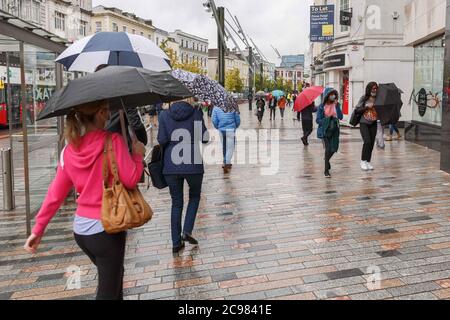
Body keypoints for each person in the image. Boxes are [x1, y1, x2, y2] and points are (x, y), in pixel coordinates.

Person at [24, 100, 146, 300]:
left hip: (82, 231)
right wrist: (137, 156)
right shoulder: (113, 141)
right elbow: (131, 179)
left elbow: (55, 194)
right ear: (98, 113)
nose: (108, 116)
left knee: (114, 278)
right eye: (106, 111)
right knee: (108, 291)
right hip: (108, 228)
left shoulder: (69, 150)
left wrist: (38, 230)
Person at [157, 101, 209, 253]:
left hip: (171, 164)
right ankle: (187, 230)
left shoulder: (164, 114)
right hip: (193, 163)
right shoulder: (196, 112)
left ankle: (175, 242)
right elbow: (204, 138)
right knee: (194, 196)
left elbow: (162, 139)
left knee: (176, 203)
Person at [316, 88, 343, 178]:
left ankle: (326, 160)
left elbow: (340, 117)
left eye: (334, 94)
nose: (333, 96)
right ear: (327, 95)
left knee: (334, 148)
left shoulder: (336, 105)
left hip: (335, 129)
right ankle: (326, 170)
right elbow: (318, 120)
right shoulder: (321, 106)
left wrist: (336, 106)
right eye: (331, 94)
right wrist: (328, 120)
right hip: (325, 130)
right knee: (328, 149)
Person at [355, 82, 379, 171]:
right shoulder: (364, 98)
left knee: (372, 143)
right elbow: (357, 110)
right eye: (373, 88)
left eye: (376, 88)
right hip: (364, 122)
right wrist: (366, 107)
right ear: (369, 89)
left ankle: (368, 161)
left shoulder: (378, 99)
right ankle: (363, 161)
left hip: (374, 123)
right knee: (367, 141)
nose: (375, 90)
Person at [212, 105, 241, 174]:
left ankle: (225, 161)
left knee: (224, 146)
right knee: (230, 148)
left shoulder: (216, 108)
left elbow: (214, 120)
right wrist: (235, 126)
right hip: (230, 129)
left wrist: (218, 127)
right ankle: (227, 162)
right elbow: (238, 120)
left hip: (221, 130)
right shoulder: (233, 106)